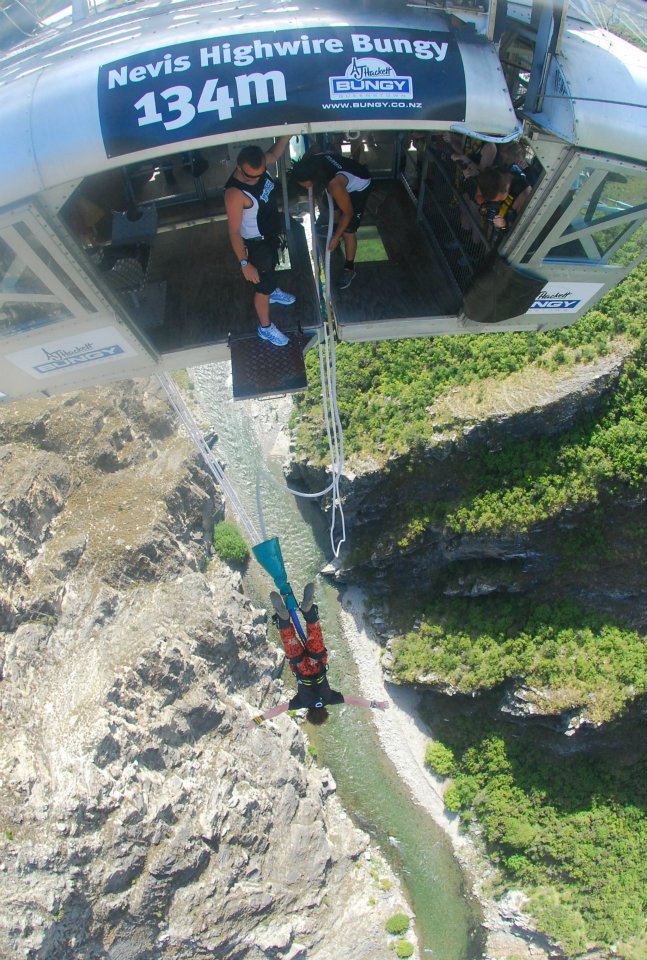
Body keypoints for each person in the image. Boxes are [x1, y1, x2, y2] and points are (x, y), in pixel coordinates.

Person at [246, 583, 389, 728]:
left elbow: (353, 700)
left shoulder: (330, 699)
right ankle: (283, 619)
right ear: (309, 713)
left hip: (318, 662)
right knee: (288, 636)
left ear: (324, 711)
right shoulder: (301, 702)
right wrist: (257, 720)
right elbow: (278, 709)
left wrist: (377, 704)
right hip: (300, 665)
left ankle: (309, 611)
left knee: (314, 630)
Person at [225, 137, 295, 347]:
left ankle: (273, 291)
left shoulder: (258, 162)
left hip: (270, 234)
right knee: (261, 288)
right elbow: (234, 231)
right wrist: (245, 263)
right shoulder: (235, 193)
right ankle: (265, 328)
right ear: (239, 167)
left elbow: (273, 154)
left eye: (260, 174)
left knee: (271, 271)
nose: (255, 180)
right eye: (250, 177)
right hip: (256, 244)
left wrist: (286, 136)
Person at [291, 151, 372, 289]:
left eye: (306, 185)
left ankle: (349, 268)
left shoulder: (334, 186)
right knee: (331, 205)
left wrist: (336, 238)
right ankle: (334, 227)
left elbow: (348, 213)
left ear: (314, 179)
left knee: (348, 231)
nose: (306, 188)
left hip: (359, 185)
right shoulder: (313, 161)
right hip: (340, 178)